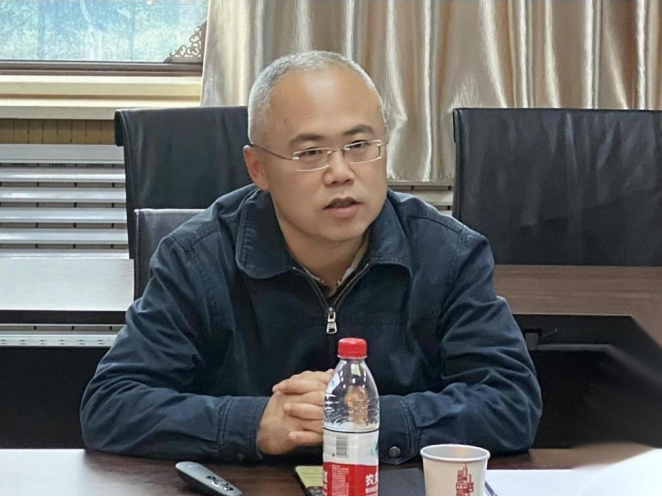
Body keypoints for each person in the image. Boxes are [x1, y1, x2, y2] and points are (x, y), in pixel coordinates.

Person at [80, 51, 542, 464]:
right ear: (258, 168)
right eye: (310, 152)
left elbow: (512, 402)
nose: (340, 172)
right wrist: (254, 424)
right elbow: (111, 405)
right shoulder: (196, 258)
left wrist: (365, 417)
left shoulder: (448, 254)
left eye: (359, 146)